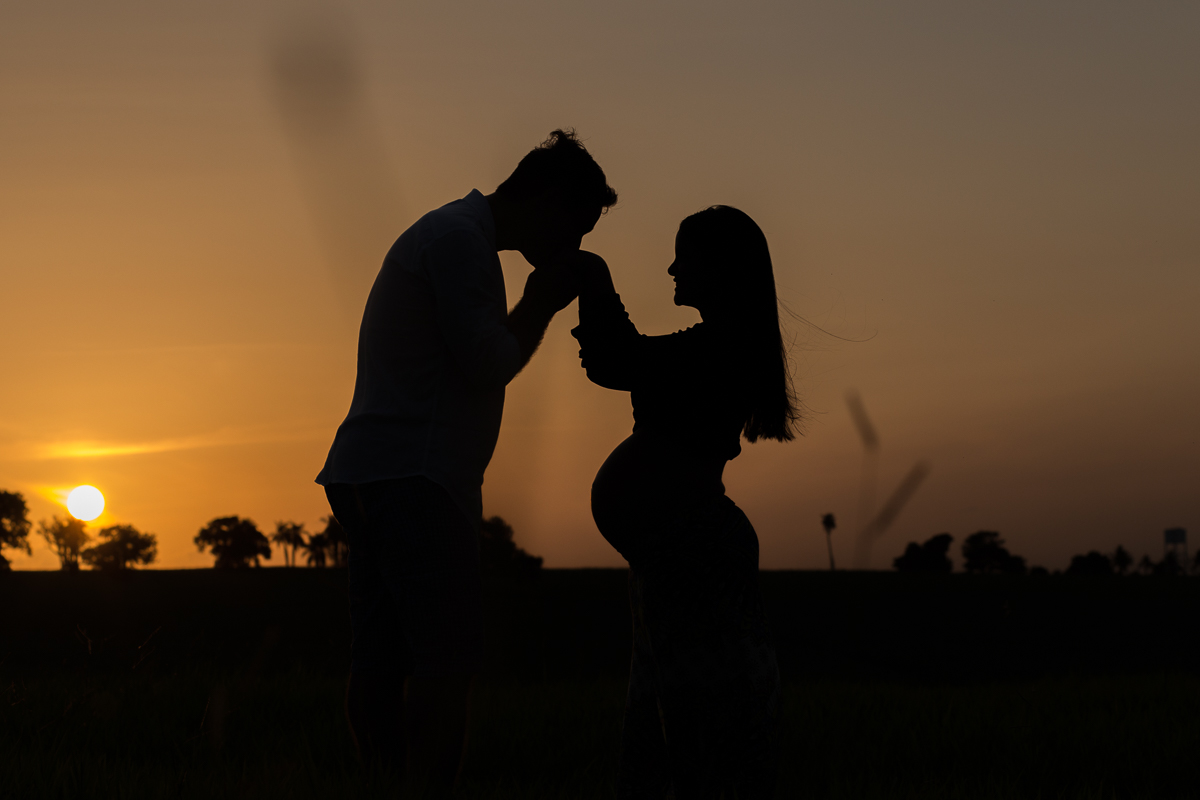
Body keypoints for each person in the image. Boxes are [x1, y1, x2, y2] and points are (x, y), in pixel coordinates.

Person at [317, 130, 617, 792]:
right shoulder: (461, 242)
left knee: (380, 658)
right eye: (576, 226)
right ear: (544, 199)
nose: (574, 246)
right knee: (443, 664)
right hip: (416, 479)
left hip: (375, 472)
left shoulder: (453, 234)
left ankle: (383, 784)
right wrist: (541, 301)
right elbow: (488, 361)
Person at [572, 206, 798, 798]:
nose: (672, 267)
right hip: (678, 557)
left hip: (693, 556)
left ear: (720, 269)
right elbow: (624, 360)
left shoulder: (722, 350)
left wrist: (593, 275)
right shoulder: (716, 347)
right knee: (671, 722)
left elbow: (618, 359)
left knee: (697, 731)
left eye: (685, 255)